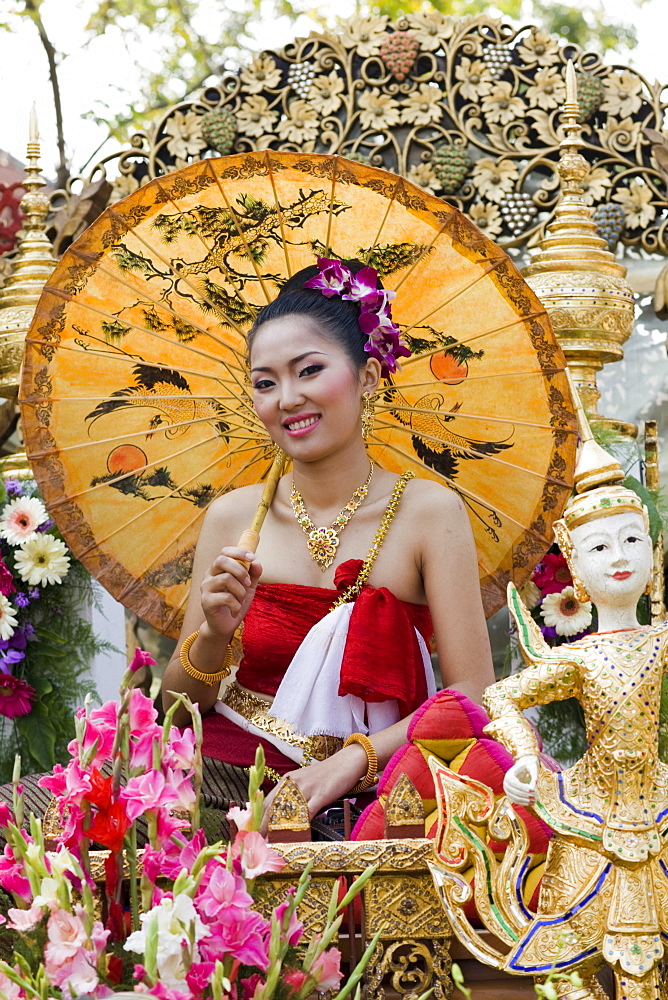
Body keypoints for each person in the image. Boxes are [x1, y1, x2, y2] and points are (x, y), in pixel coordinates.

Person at [162, 258, 495, 834]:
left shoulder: (428, 513)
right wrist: (215, 634)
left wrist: (351, 763)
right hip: (222, 780)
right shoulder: (233, 518)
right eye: (265, 383)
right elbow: (177, 712)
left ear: (366, 377)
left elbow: (474, 695)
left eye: (309, 370)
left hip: (377, 794)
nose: (287, 398)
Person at [440, 481, 667, 1000]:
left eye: (632, 540)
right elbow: (502, 698)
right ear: (575, 569)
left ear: (654, 550)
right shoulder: (576, 659)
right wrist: (523, 757)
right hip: (588, 815)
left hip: (657, 806)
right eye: (600, 547)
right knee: (564, 962)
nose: (620, 558)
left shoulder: (661, 641)